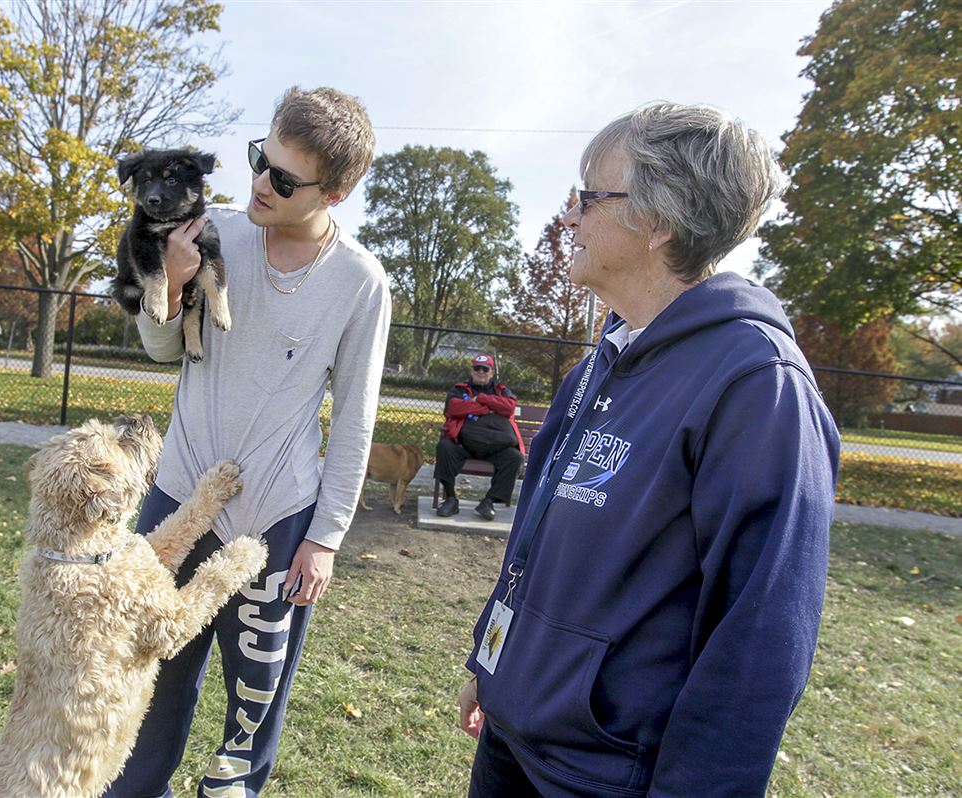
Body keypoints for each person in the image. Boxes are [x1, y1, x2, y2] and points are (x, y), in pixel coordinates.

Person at [458, 102, 840, 798]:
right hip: (513, 736)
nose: (569, 215)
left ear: (657, 219)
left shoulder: (757, 385)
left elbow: (760, 641)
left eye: (588, 195)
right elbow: (535, 543)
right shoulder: (598, 363)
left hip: (609, 774)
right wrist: (491, 664)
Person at [104, 87, 390, 798]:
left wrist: (324, 537)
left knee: (251, 709)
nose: (261, 183)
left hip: (277, 519)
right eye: (261, 160)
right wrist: (166, 287)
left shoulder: (360, 282)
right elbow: (163, 350)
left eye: (285, 179)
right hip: (176, 500)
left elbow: (355, 416)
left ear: (340, 190)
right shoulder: (211, 232)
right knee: (147, 682)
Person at [434, 354, 525, 520]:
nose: (481, 372)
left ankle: (489, 502)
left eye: (485, 369)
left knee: (515, 458)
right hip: (463, 445)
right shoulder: (460, 389)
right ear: (471, 370)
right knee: (444, 447)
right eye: (477, 368)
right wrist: (486, 409)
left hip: (496, 448)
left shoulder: (501, 390)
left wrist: (482, 398)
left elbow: (509, 407)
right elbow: (452, 408)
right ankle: (451, 499)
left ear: (492, 372)